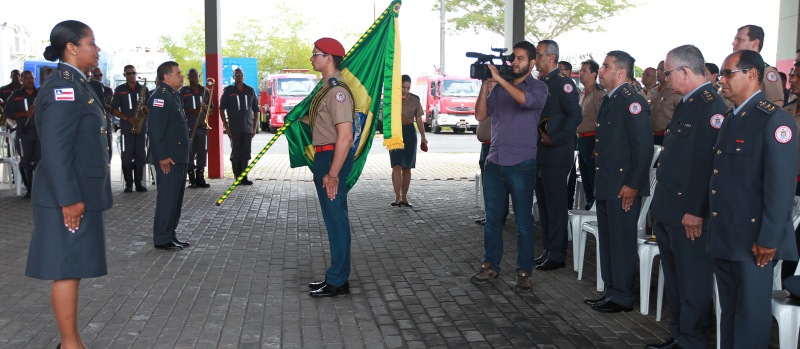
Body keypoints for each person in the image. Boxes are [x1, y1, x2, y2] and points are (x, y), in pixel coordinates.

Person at [25, 20, 112, 349]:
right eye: (92, 42)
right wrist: (70, 199)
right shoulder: (64, 86)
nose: (97, 49)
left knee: (71, 268)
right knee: (65, 268)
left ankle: (72, 342)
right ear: (72, 48)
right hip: (67, 195)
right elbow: (56, 149)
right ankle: (70, 344)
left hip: (75, 191)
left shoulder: (78, 83)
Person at [710, 49, 799, 349]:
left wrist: (769, 238)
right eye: (721, 74)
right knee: (730, 311)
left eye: (727, 73)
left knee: (750, 314)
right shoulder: (731, 118)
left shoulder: (774, 121)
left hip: (754, 239)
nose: (721, 80)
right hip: (727, 233)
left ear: (751, 74)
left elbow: (780, 186)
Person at [648, 45, 727, 349]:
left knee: (693, 281)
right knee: (676, 279)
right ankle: (679, 334)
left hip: (689, 214)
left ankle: (692, 340)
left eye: (667, 73)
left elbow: (708, 165)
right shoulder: (688, 102)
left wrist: (696, 209)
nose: (665, 78)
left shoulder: (711, 107)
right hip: (671, 208)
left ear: (683, 71)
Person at [470, 40, 547, 293]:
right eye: (513, 58)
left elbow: (525, 101)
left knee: (524, 221)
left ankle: (524, 271)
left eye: (520, 58)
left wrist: (500, 81)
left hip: (522, 163)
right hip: (494, 161)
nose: (514, 62)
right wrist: (485, 85)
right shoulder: (500, 88)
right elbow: (480, 115)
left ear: (532, 62)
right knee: (492, 219)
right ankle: (490, 264)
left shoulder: (539, 87)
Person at [583, 50, 653, 313]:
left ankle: (622, 295)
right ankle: (611, 290)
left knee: (621, 241)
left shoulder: (632, 101)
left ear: (621, 72)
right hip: (607, 182)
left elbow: (643, 147)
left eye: (606, 66)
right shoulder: (610, 99)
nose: (601, 70)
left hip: (623, 186)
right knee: (609, 239)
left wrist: (633, 185)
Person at [304, 37, 355, 298]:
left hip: (333, 157)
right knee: (333, 219)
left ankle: (338, 280)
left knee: (336, 221)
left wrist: (333, 173)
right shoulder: (324, 89)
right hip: (324, 156)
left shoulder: (337, 91)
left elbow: (345, 136)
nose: (312, 58)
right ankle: (336, 275)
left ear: (329, 58)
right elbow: (320, 121)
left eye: (316, 54)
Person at [534, 40, 581, 271]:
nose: (536, 60)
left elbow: (575, 116)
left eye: (539, 55)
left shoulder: (564, 84)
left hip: (556, 153)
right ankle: (548, 249)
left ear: (551, 57)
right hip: (540, 152)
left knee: (555, 205)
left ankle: (557, 254)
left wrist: (556, 138)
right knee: (543, 206)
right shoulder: (542, 83)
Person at [147, 61, 191, 251]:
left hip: (178, 156)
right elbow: (156, 130)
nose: (182, 76)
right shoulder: (161, 96)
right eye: (178, 73)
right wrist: (163, 156)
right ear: (166, 76)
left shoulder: (174, 95)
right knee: (167, 198)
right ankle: (162, 238)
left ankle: (170, 234)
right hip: (169, 158)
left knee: (175, 198)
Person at [388, 74, 427, 207]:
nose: (405, 90)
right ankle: (397, 197)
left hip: (409, 132)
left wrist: (423, 137)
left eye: (408, 88)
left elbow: (419, 120)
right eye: (403, 87)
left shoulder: (415, 100)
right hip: (395, 134)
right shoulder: (392, 98)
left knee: (407, 167)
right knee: (396, 165)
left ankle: (404, 197)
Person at [111, 64, 150, 193]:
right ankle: (128, 184)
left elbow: (149, 107)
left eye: (133, 73)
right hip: (126, 127)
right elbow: (113, 109)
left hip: (141, 127)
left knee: (140, 155)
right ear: (124, 75)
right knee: (126, 156)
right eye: (128, 73)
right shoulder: (120, 89)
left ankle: (139, 183)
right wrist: (127, 118)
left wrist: (143, 114)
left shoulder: (143, 89)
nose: (131, 75)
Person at [219, 68, 259, 185]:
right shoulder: (228, 91)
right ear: (233, 77)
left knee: (246, 152)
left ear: (244, 76)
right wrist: (226, 126)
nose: (239, 76)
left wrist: (254, 127)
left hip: (247, 127)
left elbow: (256, 110)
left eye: (241, 74)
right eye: (236, 74)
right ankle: (237, 176)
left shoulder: (250, 90)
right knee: (236, 152)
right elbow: (221, 109)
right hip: (234, 128)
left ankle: (244, 176)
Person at [4, 70, 40, 197]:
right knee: (25, 161)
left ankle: (41, 189)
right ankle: (30, 190)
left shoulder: (41, 93)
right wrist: (25, 114)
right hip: (24, 133)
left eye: (31, 78)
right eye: (26, 78)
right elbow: (7, 113)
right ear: (22, 80)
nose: (29, 80)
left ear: (34, 79)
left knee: (41, 161)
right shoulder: (15, 95)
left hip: (40, 133)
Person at [732, 24, 784, 106]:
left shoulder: (767, 72)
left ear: (755, 43)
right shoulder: (735, 69)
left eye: (740, 40)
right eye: (735, 40)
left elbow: (776, 103)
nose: (733, 43)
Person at [577, 59, 604, 211]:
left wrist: (598, 145)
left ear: (594, 74)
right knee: (586, 178)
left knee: (593, 178)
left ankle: (595, 209)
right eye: (580, 71)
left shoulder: (598, 93)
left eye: (584, 71)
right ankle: (589, 206)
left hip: (592, 139)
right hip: (582, 140)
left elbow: (603, 119)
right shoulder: (583, 93)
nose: (581, 73)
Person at [179, 68, 211, 188]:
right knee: (190, 152)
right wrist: (192, 110)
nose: (193, 78)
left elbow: (211, 109)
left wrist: (205, 109)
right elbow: (179, 109)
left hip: (202, 127)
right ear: (188, 77)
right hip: (188, 127)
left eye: (195, 76)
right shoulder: (183, 91)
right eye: (190, 76)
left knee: (202, 152)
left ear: (199, 76)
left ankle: (200, 178)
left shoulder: (205, 91)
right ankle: (191, 178)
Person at [783, 60, 800, 282]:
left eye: (797, 76)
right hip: (788, 182)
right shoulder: (787, 109)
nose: (792, 79)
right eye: (793, 75)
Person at [651, 61, 683, 145]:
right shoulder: (653, 90)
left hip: (666, 137)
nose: (658, 72)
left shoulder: (676, 92)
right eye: (657, 69)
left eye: (662, 70)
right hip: (651, 135)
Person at [88, 67, 114, 160]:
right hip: (94, 120)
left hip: (107, 120)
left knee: (107, 144)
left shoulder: (108, 90)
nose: (98, 77)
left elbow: (112, 106)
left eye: (100, 75)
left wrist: (107, 106)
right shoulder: (88, 88)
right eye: (96, 75)